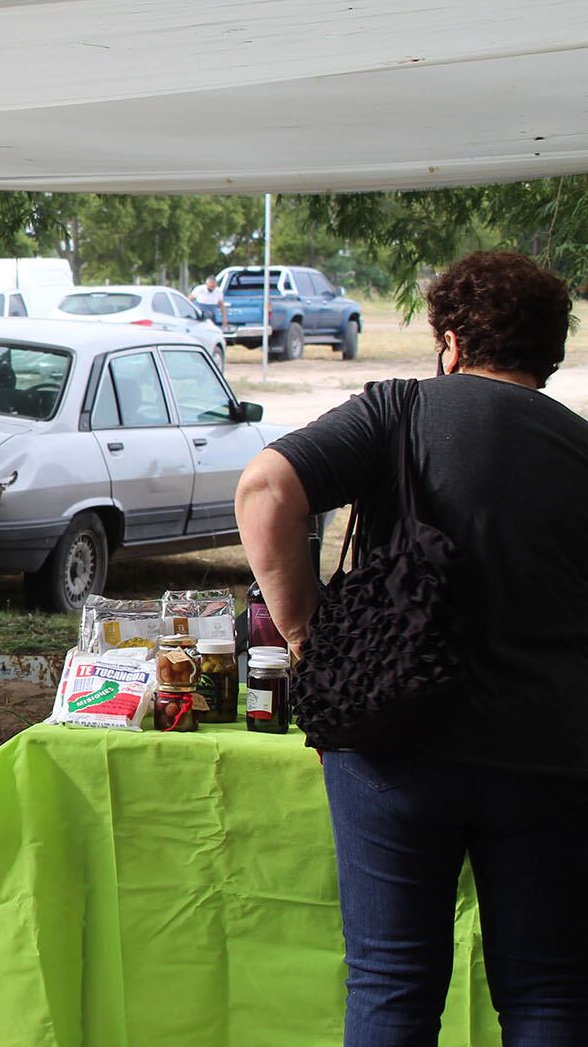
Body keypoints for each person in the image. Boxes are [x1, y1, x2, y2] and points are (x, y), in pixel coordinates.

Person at [235, 249, 588, 1044]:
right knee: (550, 991)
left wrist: (307, 640)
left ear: (452, 342)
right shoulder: (579, 447)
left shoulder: (399, 411)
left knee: (394, 984)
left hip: (395, 743)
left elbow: (264, 491)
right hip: (551, 753)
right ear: (548, 351)